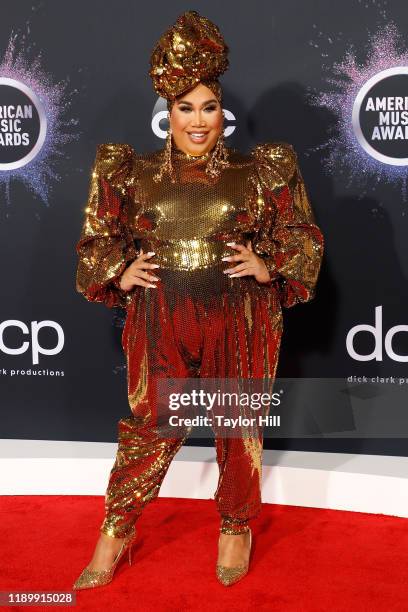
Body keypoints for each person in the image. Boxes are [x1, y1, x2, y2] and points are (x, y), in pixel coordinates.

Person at [73, 10, 324, 590]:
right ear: (168, 112)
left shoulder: (260, 170)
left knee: (238, 427)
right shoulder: (129, 172)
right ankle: (116, 530)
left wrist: (268, 266)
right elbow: (95, 242)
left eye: (208, 107)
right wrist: (121, 267)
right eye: (185, 107)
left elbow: (302, 236)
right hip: (160, 319)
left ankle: (236, 526)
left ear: (222, 112)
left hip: (238, 318)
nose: (197, 120)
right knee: (150, 426)